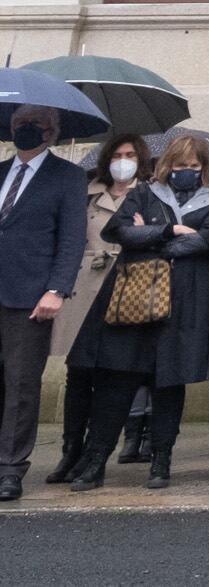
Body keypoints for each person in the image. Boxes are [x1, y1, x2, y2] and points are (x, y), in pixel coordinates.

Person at [64, 133, 209, 490]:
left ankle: (161, 462)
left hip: (183, 304)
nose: (186, 171)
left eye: (194, 166)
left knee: (169, 384)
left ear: (204, 168)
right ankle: (95, 462)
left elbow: (207, 241)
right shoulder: (142, 192)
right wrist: (169, 229)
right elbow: (117, 231)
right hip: (135, 300)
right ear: (168, 164)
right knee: (116, 382)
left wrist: (150, 235)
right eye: (181, 165)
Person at [0, 103, 86, 503]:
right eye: (20, 123)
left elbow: (71, 238)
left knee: (21, 383)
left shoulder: (67, 176)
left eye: (34, 124)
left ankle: (11, 468)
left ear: (51, 131)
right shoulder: (0, 172)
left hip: (31, 296)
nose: (26, 129)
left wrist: (57, 289)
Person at [46, 133, 140, 490]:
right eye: (117, 154)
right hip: (84, 286)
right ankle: (71, 450)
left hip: (125, 288)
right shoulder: (86, 193)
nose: (123, 160)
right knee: (79, 373)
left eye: (130, 154)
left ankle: (96, 455)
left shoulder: (147, 194)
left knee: (112, 375)